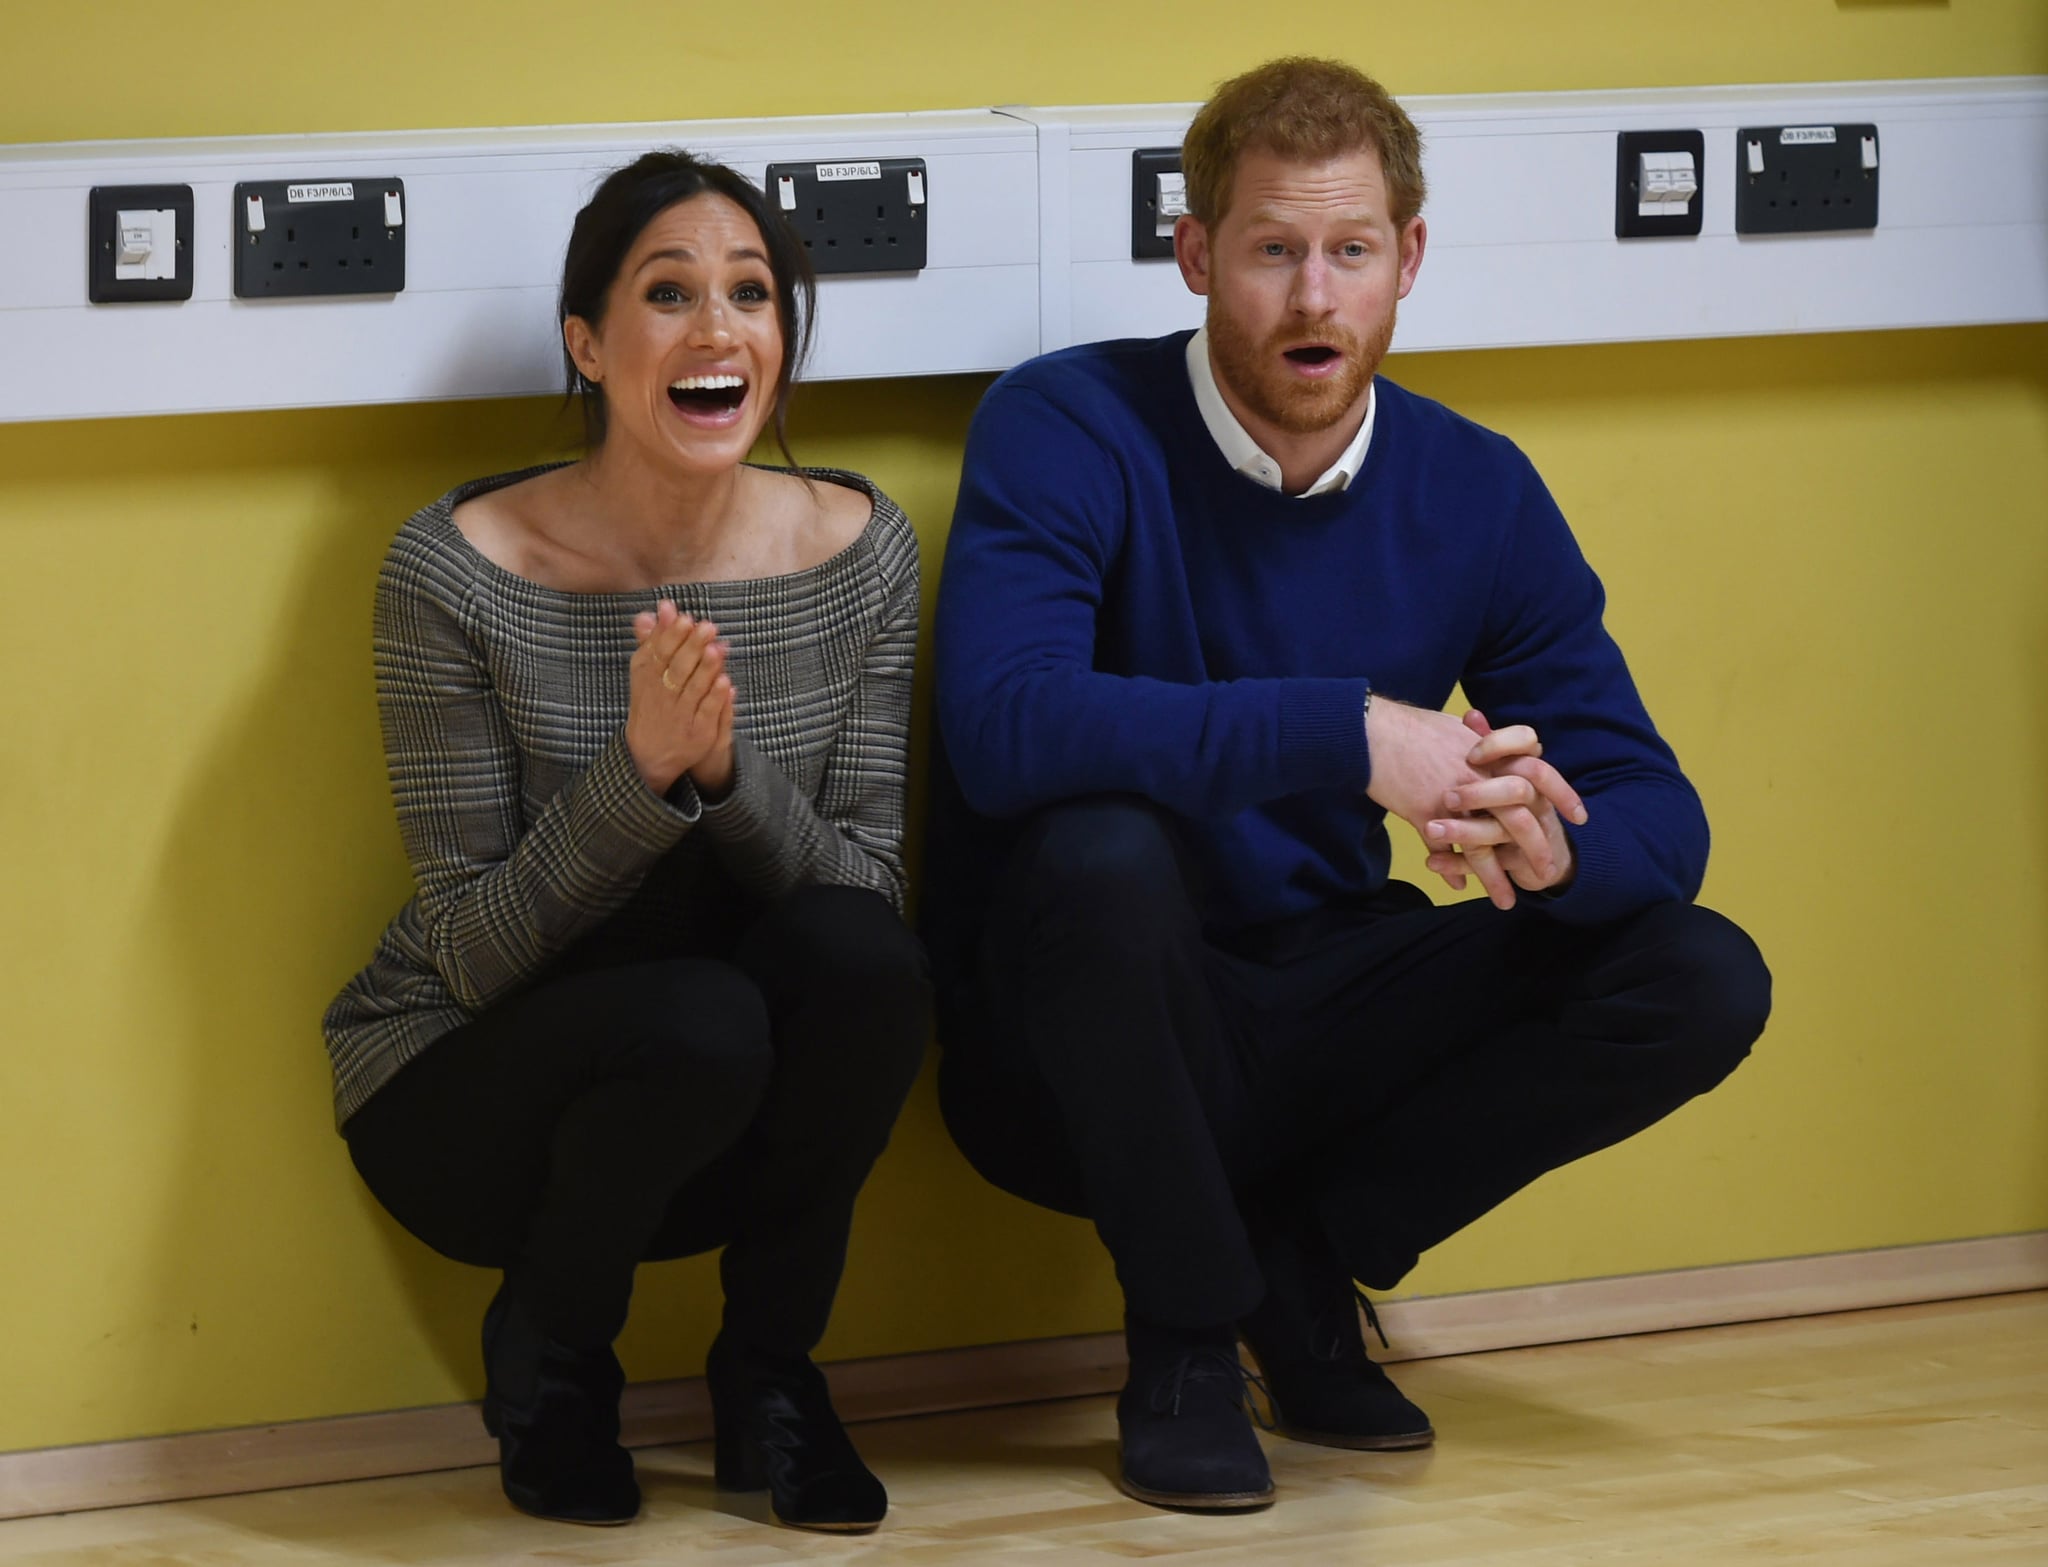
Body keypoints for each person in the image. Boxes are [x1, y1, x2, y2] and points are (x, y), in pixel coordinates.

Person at [925, 57, 1772, 1513]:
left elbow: (1654, 807)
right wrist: (1353, 734)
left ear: (1408, 261)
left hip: (1321, 998)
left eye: (1351, 251)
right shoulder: (1066, 425)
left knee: (1697, 972)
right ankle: (1186, 1341)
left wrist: (1555, 850)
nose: (1313, 298)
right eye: (1271, 251)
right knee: (1101, 856)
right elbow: (1006, 725)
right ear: (1196, 255)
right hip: (1073, 1039)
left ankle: (1299, 1260)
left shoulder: (1476, 489)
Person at [323, 150, 929, 1535]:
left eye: (751, 294)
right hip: (469, 1087)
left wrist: (723, 771)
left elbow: (873, 901)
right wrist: (640, 772)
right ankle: (552, 1369)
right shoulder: (455, 568)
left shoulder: (863, 551)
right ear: (590, 346)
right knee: (703, 1016)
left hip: (725, 1087)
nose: (719, 329)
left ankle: (770, 1381)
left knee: (862, 963)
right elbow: (471, 950)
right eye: (670, 293)